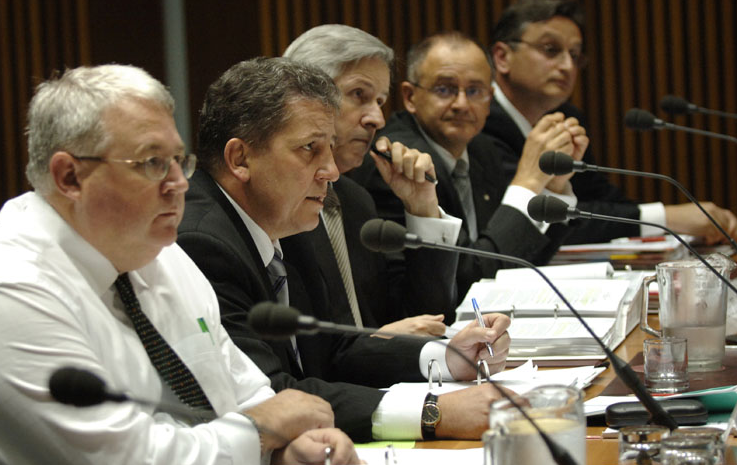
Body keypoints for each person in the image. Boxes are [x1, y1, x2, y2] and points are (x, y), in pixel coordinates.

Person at [0, 65, 357, 465]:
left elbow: (246, 393)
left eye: (180, 160)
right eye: (152, 163)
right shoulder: (5, 291)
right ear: (70, 176)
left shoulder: (163, 258)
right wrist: (260, 433)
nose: (178, 183)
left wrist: (289, 449)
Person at [177, 57, 510, 443]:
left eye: (330, 148)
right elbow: (269, 396)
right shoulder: (202, 245)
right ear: (240, 159)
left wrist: (449, 357)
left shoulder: (286, 219)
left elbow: (334, 352)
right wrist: (434, 411)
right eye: (309, 149)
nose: (331, 171)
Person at [486, 0, 737, 244]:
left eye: (575, 55)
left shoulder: (566, 118)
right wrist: (666, 218)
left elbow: (600, 199)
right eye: (551, 50)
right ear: (502, 57)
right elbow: (527, 218)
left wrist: (670, 222)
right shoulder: (480, 123)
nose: (567, 66)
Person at [351, 31, 586, 297]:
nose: (462, 104)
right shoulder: (402, 161)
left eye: (474, 91)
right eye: (445, 89)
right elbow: (471, 280)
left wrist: (552, 188)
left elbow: (519, 258)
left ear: (490, 98)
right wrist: (528, 185)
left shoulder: (482, 150)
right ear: (410, 97)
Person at [282, 24, 461, 333]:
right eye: (358, 94)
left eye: (379, 101)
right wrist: (379, 342)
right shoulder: (278, 205)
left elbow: (427, 320)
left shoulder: (355, 201)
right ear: (303, 95)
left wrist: (423, 209)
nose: (377, 119)